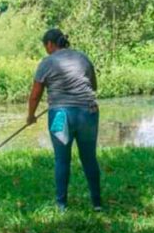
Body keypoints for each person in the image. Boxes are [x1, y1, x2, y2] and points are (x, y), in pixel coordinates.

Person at [26, 28, 102, 212]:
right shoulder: (82, 58)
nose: (46, 50)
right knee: (89, 158)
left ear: (50, 44)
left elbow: (35, 95)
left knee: (62, 160)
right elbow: (93, 86)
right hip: (88, 112)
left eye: (46, 46)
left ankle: (61, 206)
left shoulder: (47, 62)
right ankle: (97, 204)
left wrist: (31, 116)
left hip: (60, 115)